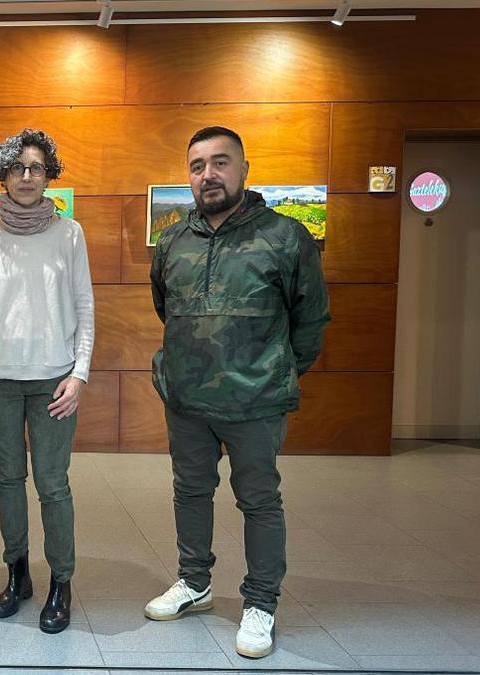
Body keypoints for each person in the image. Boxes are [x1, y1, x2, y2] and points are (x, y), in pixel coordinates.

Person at [145, 126, 330, 659]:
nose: (209, 174)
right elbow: (167, 307)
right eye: (198, 165)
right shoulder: (175, 240)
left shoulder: (285, 236)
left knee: (259, 501)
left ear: (244, 169)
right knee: (190, 492)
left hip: (256, 401)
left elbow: (310, 320)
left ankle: (261, 603)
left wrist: (276, 370)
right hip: (186, 398)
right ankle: (194, 582)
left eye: (220, 162)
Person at [0, 129, 95, 634]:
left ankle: (61, 580)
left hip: (54, 382)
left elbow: (84, 306)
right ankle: (18, 573)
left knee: (53, 484)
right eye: (17, 168)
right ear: (3, 174)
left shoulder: (70, 233)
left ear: (49, 174)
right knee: (8, 480)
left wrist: (79, 374)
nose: (27, 177)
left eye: (37, 168)